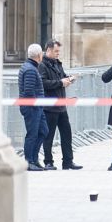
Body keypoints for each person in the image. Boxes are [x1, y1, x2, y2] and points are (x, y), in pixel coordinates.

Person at [39, 40, 82, 171]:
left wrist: (69, 79)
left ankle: (68, 162)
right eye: (56, 51)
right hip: (50, 106)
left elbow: (62, 77)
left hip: (61, 105)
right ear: (49, 50)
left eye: (59, 51)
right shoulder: (42, 65)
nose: (58, 54)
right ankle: (48, 162)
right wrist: (60, 83)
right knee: (49, 136)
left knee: (66, 134)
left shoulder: (57, 64)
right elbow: (43, 83)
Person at [17, 44, 47, 172]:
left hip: (36, 106)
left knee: (43, 131)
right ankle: (29, 161)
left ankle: (34, 159)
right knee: (32, 134)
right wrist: (36, 105)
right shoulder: (30, 69)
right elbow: (29, 91)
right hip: (32, 107)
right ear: (39, 56)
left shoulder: (32, 67)